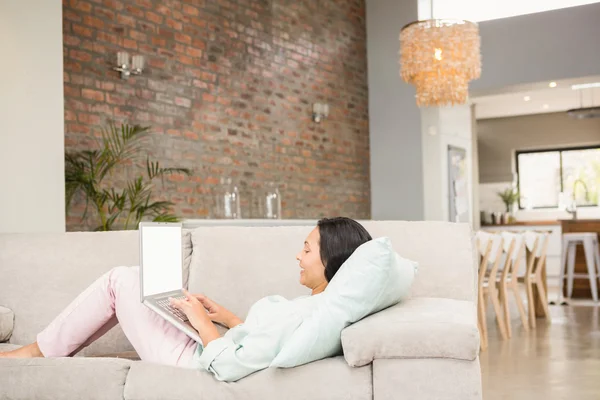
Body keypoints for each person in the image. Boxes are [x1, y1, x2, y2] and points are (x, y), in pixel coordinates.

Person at [0, 217, 372, 380]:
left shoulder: (311, 313)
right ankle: (42, 349)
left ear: (330, 259)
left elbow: (230, 366)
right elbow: (264, 344)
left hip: (197, 363)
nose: (297, 255)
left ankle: (36, 353)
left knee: (119, 280)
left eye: (306, 249)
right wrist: (225, 318)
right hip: (206, 345)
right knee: (142, 281)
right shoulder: (316, 308)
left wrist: (202, 323)